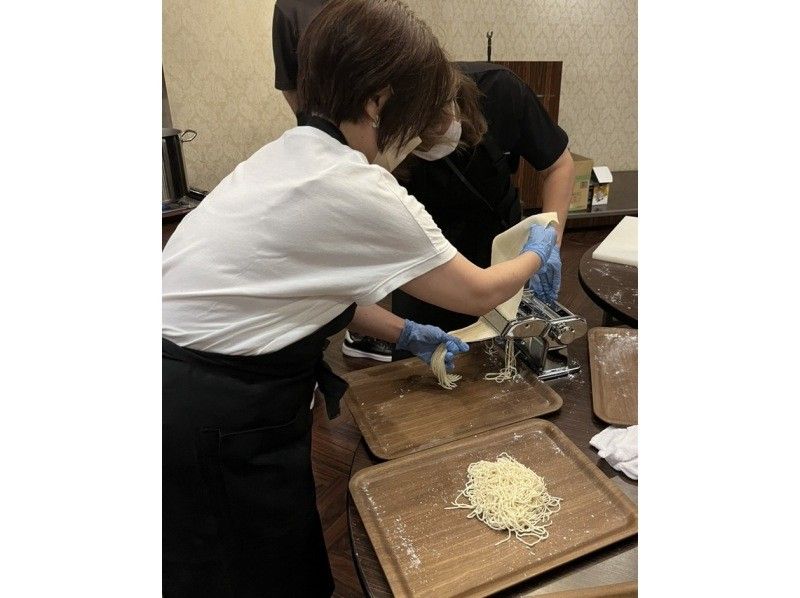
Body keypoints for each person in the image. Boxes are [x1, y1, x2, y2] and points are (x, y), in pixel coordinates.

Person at [163, 1, 557, 596]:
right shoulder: (355, 184)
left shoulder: (287, 155)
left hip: (188, 386)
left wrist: (406, 333)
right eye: (419, 110)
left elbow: (315, 293)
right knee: (250, 575)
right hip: (208, 408)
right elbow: (480, 289)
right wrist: (544, 242)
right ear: (378, 100)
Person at [391, 61, 575, 339]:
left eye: (437, 124)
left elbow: (558, 165)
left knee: (503, 348)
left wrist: (550, 240)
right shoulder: (382, 131)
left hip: (502, 246)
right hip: (424, 260)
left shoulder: (500, 90)